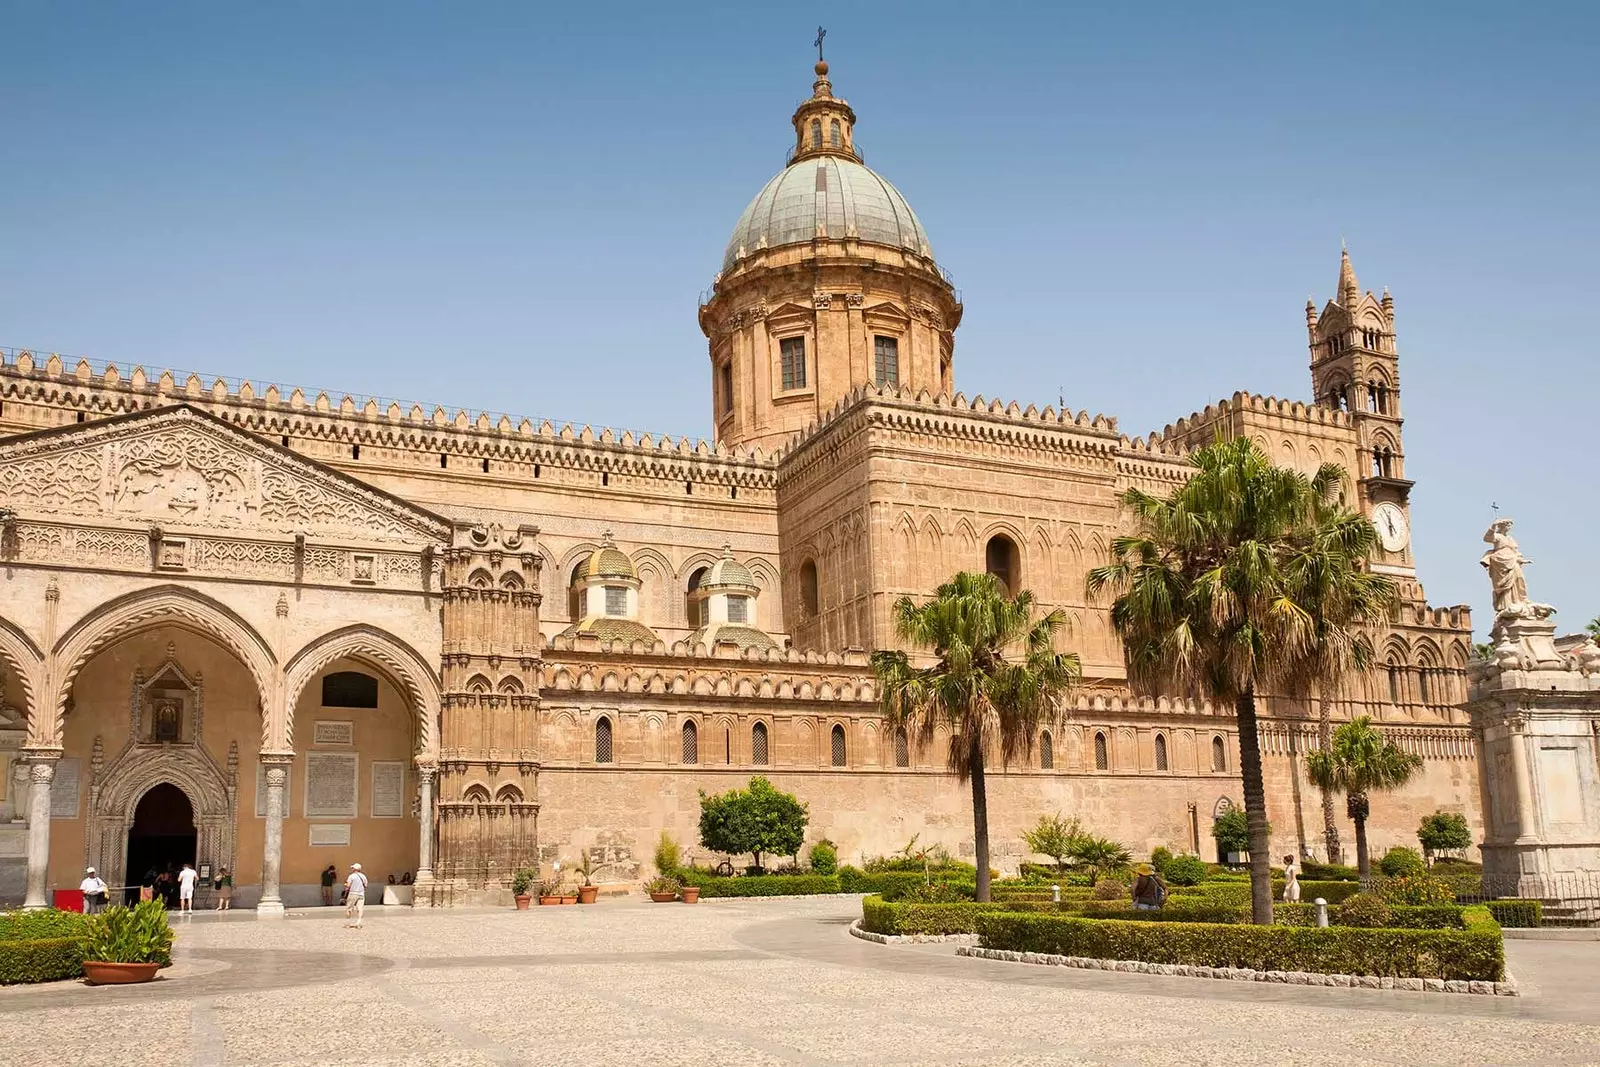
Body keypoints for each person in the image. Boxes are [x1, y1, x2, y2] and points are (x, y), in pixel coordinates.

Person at [344, 862, 369, 929]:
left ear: (355, 869)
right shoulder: (363, 876)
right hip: (361, 894)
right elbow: (366, 885)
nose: (352, 869)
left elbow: (348, 885)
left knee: (349, 908)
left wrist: (346, 886)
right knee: (360, 908)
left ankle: (347, 923)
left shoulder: (351, 876)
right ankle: (358, 923)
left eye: (352, 868)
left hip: (353, 893)